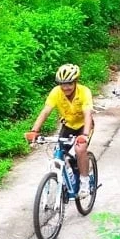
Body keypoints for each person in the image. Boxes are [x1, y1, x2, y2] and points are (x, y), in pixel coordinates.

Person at [25, 64, 94, 196]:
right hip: (68, 126)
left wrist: (84, 135)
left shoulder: (84, 92)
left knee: (80, 149)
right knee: (59, 154)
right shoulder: (56, 92)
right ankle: (66, 179)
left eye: (69, 84)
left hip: (83, 126)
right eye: (62, 84)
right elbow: (45, 112)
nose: (65, 87)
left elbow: (87, 114)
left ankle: (84, 181)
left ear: (75, 82)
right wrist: (34, 131)